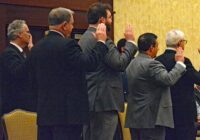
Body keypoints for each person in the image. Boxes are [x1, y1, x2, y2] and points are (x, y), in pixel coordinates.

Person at [30, 7, 108, 140]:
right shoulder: (68, 45)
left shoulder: (37, 46)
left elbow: (29, 77)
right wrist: (101, 42)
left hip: (45, 113)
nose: (72, 27)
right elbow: (89, 64)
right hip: (67, 114)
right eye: (72, 24)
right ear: (64, 25)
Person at [78, 3, 138, 140]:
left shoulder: (83, 38)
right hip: (104, 100)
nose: (112, 21)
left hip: (90, 98)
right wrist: (130, 43)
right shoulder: (102, 40)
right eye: (110, 17)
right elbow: (119, 63)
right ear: (102, 20)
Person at [125, 33, 186, 140]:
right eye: (157, 46)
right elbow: (168, 79)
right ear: (151, 48)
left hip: (134, 117)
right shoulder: (151, 64)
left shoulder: (131, 63)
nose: (158, 49)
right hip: (151, 119)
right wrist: (180, 64)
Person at [155, 29, 200, 140]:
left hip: (164, 112)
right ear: (180, 43)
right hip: (184, 114)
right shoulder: (183, 61)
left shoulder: (157, 60)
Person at [0, 20, 35, 115]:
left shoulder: (20, 53)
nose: (30, 35)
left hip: (23, 106)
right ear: (19, 34)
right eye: (27, 32)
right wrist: (32, 53)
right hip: (15, 107)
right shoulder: (9, 53)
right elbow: (19, 73)